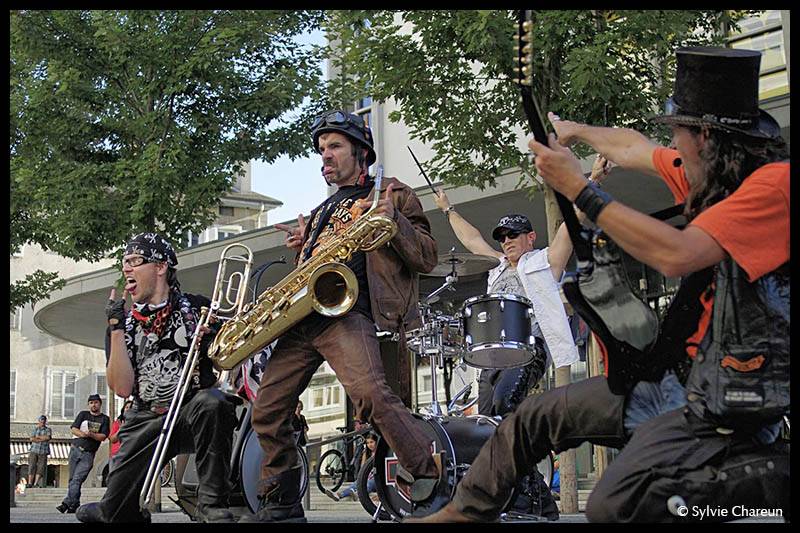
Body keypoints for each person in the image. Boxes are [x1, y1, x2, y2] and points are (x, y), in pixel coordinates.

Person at [414, 46, 789, 523]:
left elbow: (677, 255)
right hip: (674, 378)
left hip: (727, 400)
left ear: (707, 136)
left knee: (615, 506)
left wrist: (579, 189)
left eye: (678, 133)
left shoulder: (773, 188)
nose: (671, 146)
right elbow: (632, 147)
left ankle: (765, 483)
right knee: (532, 418)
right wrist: (573, 131)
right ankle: (460, 515)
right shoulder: (710, 174)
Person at [240, 109, 441, 523]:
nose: (324, 156)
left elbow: (427, 255)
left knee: (370, 394)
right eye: (321, 149)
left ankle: (428, 469)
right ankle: (282, 500)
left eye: (334, 147)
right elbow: (315, 268)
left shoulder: (393, 194)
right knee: (268, 409)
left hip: (349, 313)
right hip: (305, 317)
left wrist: (394, 219)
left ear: (361, 152)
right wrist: (303, 248)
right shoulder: (319, 211)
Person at [431, 155, 608, 520]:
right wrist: (448, 208)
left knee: (507, 415)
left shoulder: (544, 261)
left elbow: (571, 223)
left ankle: (532, 502)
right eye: (503, 237)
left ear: (530, 237)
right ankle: (535, 499)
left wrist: (592, 179)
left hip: (527, 351)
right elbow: (472, 238)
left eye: (513, 235)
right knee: (487, 424)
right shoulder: (496, 267)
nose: (507, 241)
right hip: (489, 357)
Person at [76, 232, 238, 523]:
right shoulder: (123, 323)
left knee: (213, 402)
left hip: (191, 411)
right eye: (124, 262)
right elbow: (123, 388)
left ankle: (212, 505)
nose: (126, 268)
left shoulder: (197, 308)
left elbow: (232, 357)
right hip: (144, 417)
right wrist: (114, 328)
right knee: (113, 514)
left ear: (161, 266)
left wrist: (215, 338)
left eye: (135, 261)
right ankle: (126, 511)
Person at [57, 394, 110, 514]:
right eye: (91, 403)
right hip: (75, 449)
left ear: (100, 404)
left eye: (96, 402)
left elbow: (103, 436)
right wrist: (83, 434)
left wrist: (92, 435)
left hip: (88, 454)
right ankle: (74, 504)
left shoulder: (104, 419)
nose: (93, 405)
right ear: (88, 404)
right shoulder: (83, 414)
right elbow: (74, 429)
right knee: (73, 480)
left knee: (77, 479)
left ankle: (66, 503)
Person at [335, 432, 379, 501]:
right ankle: (340, 495)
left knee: (369, 484)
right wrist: (364, 455)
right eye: (368, 443)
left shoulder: (380, 453)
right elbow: (363, 468)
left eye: (371, 442)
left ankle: (357, 494)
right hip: (368, 477)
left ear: (376, 442)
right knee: (357, 483)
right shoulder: (367, 453)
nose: (370, 445)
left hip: (377, 479)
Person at [28, 414, 51, 489]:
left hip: (43, 451)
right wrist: (42, 439)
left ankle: (36, 483)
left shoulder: (48, 429)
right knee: (31, 466)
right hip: (34, 450)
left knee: (41, 468)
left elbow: (48, 437)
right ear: (39, 421)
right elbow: (31, 439)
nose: (42, 423)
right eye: (41, 421)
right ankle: (30, 483)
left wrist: (37, 438)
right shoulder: (35, 429)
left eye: (43, 421)